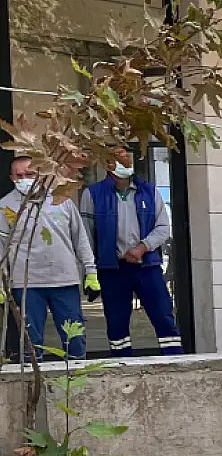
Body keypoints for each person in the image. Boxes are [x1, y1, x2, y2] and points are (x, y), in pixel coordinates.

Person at [80, 149, 182, 355]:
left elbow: (163, 228)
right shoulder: (92, 194)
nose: (127, 164)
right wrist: (89, 270)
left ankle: (174, 361)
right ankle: (122, 365)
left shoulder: (149, 191)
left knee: (163, 317)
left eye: (129, 159)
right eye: (121, 161)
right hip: (112, 269)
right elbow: (86, 236)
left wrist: (142, 247)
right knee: (117, 324)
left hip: (147, 266)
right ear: (109, 165)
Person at [0, 156, 98, 360]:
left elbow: (80, 239)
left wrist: (91, 271)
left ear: (40, 174)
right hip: (26, 285)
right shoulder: (5, 206)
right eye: (19, 176)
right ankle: (34, 389)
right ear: (11, 177)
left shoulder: (62, 201)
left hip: (64, 280)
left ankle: (77, 384)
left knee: (75, 340)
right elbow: (1, 247)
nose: (24, 179)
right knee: (30, 345)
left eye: (29, 174)